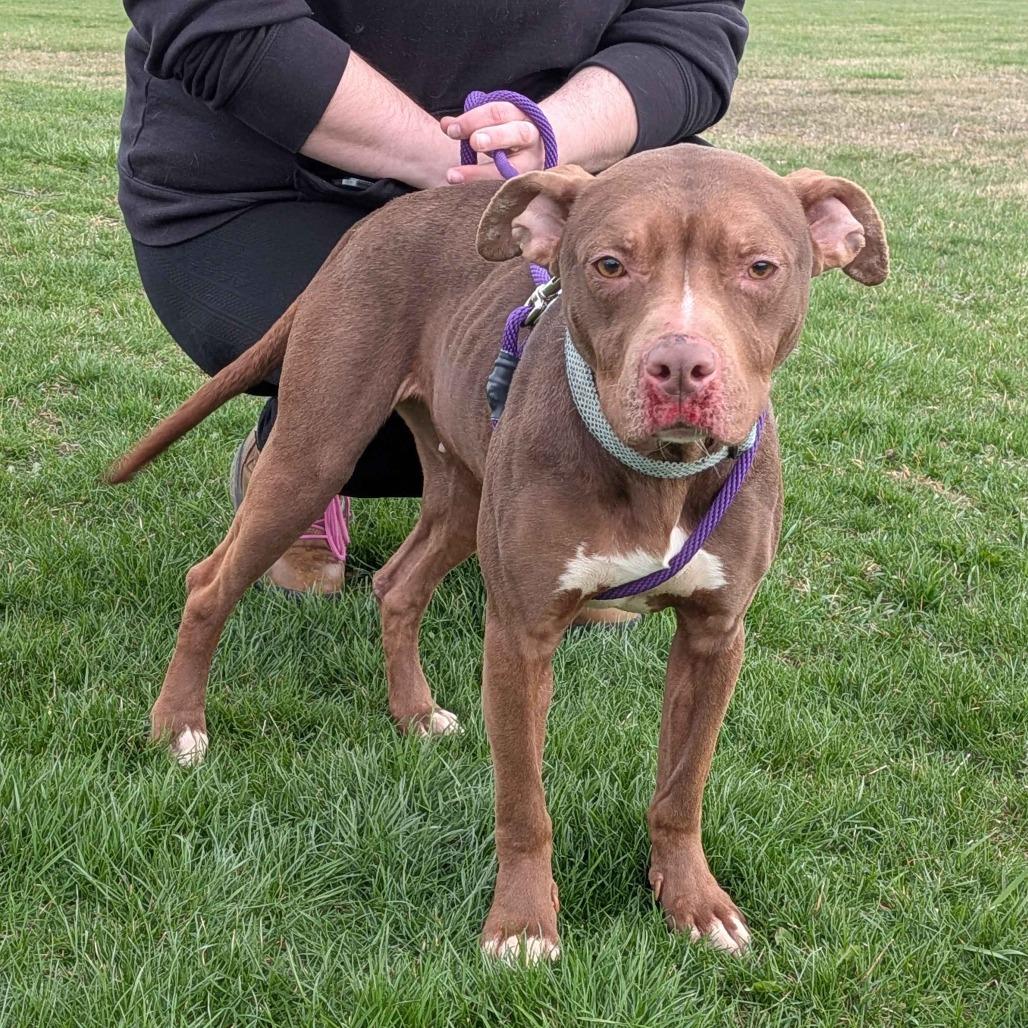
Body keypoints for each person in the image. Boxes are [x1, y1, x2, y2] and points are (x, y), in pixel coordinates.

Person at [119, 0, 749, 598]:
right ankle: (297, 458)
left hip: (564, 168)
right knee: (370, 384)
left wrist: (550, 136)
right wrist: (447, 160)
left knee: (616, 351)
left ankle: (587, 525)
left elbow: (690, 22)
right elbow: (214, 16)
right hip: (271, 186)